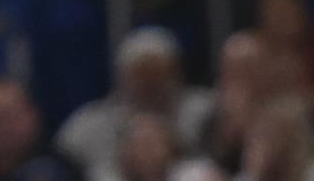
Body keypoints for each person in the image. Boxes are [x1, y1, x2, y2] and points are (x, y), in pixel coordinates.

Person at [65, 30, 216, 178]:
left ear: (177, 74)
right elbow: (61, 159)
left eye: (156, 75)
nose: (149, 87)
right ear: (121, 79)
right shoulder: (89, 125)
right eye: (141, 77)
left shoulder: (205, 112)